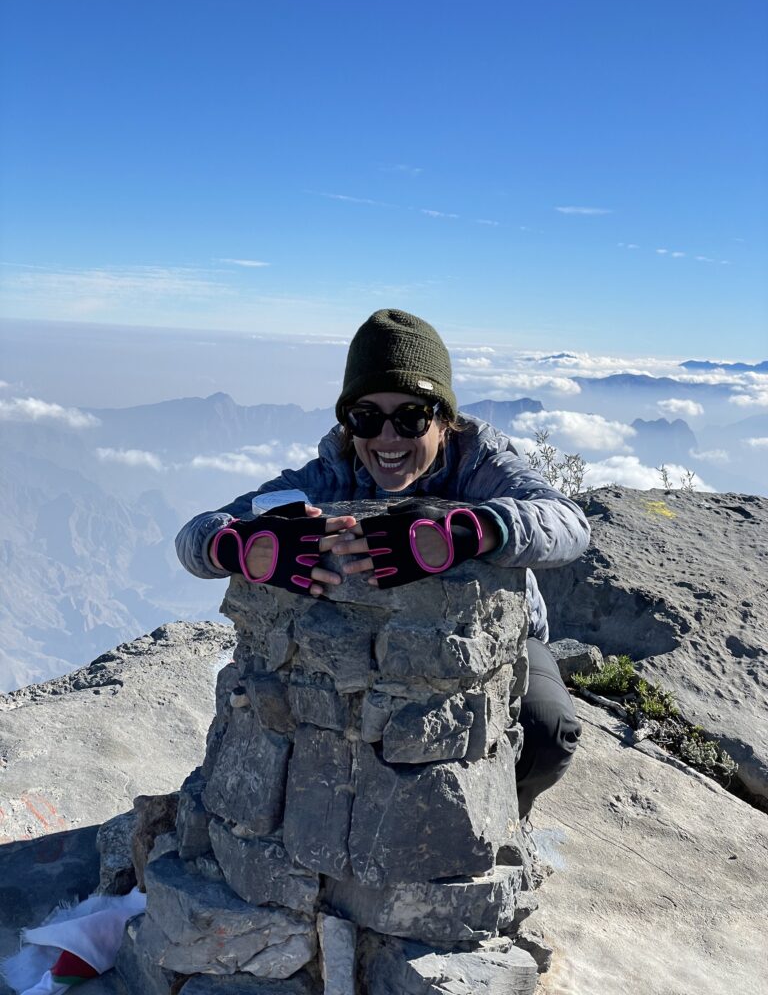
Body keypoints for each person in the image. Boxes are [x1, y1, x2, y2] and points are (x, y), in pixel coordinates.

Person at [176, 309, 589, 818]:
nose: (387, 438)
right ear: (348, 422)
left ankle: (506, 815)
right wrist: (240, 545)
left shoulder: (478, 464)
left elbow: (568, 523)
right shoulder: (330, 476)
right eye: (367, 418)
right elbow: (196, 535)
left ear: (443, 418)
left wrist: (467, 530)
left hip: (502, 639)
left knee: (549, 736)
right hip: (346, 659)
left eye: (411, 417)